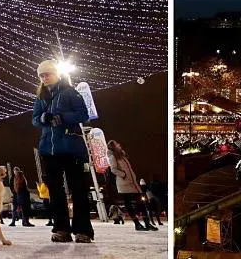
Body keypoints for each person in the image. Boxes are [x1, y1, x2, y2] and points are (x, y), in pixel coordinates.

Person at [32, 60, 93, 244]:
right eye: (42, 76)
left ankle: (82, 230)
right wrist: (43, 117)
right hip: (49, 150)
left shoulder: (69, 92)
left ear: (56, 74)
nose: (45, 78)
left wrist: (62, 117)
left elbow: (83, 114)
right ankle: (61, 228)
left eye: (47, 74)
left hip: (70, 147)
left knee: (78, 189)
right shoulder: (41, 97)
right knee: (56, 192)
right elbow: (34, 119)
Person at [107, 140, 157, 231]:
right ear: (113, 147)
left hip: (132, 183)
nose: (119, 145)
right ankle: (137, 224)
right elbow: (113, 170)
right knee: (129, 204)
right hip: (124, 184)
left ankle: (147, 223)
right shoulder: (113, 157)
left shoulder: (122, 155)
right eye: (116, 144)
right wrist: (124, 175)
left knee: (141, 203)